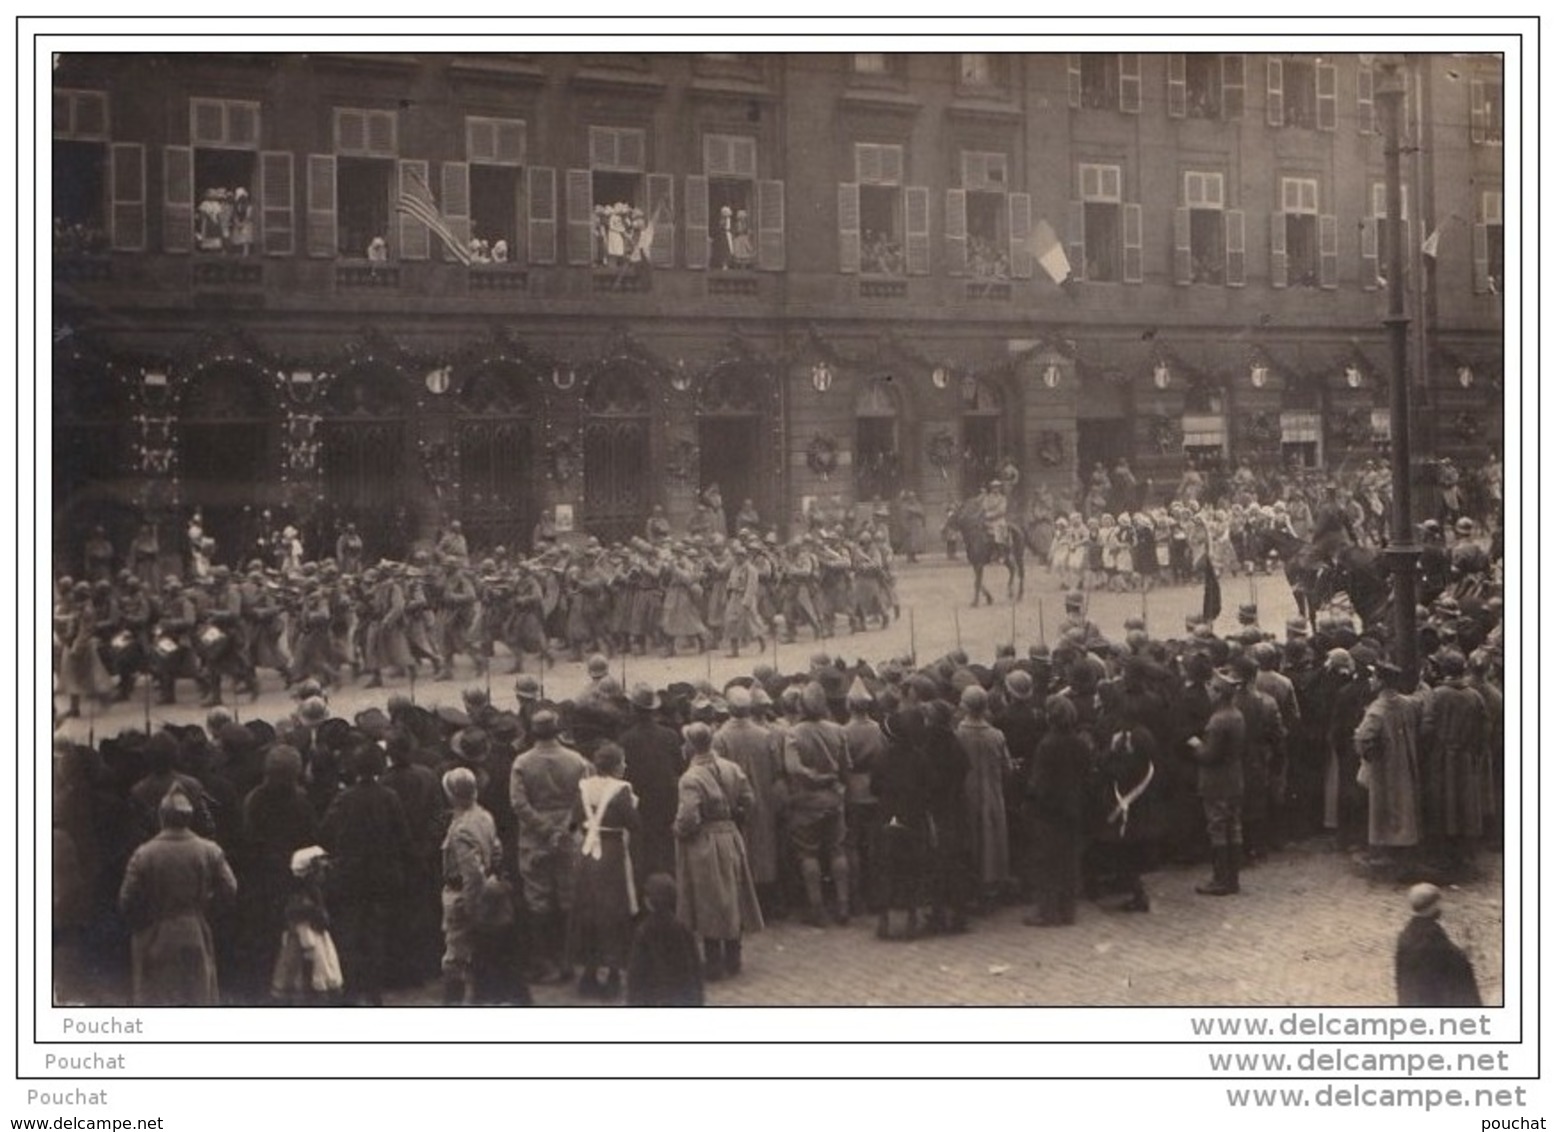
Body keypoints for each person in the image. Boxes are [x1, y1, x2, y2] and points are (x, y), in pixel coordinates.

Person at [118, 785, 238, 1005]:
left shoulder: (144, 853)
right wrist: (207, 910)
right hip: (195, 928)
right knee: (197, 996)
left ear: (162, 817)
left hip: (155, 931)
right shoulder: (209, 850)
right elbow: (229, 888)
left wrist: (143, 920)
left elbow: (126, 899)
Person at [317, 744, 411, 1006]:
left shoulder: (345, 798)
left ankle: (352, 990)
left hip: (351, 874)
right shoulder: (389, 796)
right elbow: (402, 834)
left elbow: (325, 830)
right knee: (376, 932)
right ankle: (374, 991)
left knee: (351, 932)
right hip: (382, 874)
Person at [674, 722, 764, 982]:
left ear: (691, 745)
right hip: (731, 836)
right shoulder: (731, 767)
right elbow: (749, 799)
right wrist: (736, 816)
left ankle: (713, 962)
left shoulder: (690, 778)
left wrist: (678, 830)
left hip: (705, 841)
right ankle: (734, 956)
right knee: (732, 894)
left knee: (709, 899)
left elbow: (689, 817)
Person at [509, 708, 591, 984]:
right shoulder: (577, 761)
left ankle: (543, 961)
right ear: (557, 731)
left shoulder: (522, 763)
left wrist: (545, 829)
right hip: (568, 837)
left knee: (538, 898)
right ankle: (567, 960)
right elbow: (583, 800)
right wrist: (563, 829)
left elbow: (519, 803)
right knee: (568, 897)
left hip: (535, 838)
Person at [566, 743, 640, 999]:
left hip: (587, 854)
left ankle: (588, 972)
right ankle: (613, 975)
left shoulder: (584, 788)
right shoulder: (621, 790)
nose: (625, 767)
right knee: (614, 910)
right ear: (615, 766)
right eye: (622, 762)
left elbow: (574, 821)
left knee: (588, 908)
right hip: (612, 854)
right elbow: (634, 823)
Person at [781, 682, 852, 926]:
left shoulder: (793, 733)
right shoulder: (838, 729)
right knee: (837, 849)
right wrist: (833, 780)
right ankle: (843, 904)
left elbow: (793, 768)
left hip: (806, 801)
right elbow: (846, 767)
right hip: (833, 796)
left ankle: (817, 907)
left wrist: (813, 777)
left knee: (808, 853)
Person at [439, 766, 501, 1006]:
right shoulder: (484, 816)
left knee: (455, 958)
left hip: (462, 895)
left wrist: (473, 907)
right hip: (481, 889)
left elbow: (471, 873)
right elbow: (496, 852)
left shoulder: (462, 828)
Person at [955, 684, 1014, 910]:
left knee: (971, 836)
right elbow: (1006, 767)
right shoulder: (996, 735)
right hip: (992, 791)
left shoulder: (959, 734)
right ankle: (991, 886)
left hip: (967, 792)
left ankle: (973, 886)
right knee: (992, 838)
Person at [1190, 667, 1246, 896]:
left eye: (1213, 689)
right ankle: (1232, 878)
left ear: (1219, 693)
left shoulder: (1218, 720)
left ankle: (1220, 879)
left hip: (1216, 781)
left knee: (1217, 828)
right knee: (1233, 827)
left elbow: (1209, 755)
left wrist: (1195, 745)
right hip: (1234, 778)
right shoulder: (1237, 715)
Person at [1395, 883, 1482, 1006]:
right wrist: (1465, 953)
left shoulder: (1405, 935)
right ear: (1433, 905)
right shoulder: (1433, 936)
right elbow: (1456, 967)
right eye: (1439, 902)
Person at [626, 873, 704, 1006]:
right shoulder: (684, 929)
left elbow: (635, 976)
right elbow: (696, 969)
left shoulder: (643, 932)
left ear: (648, 902)